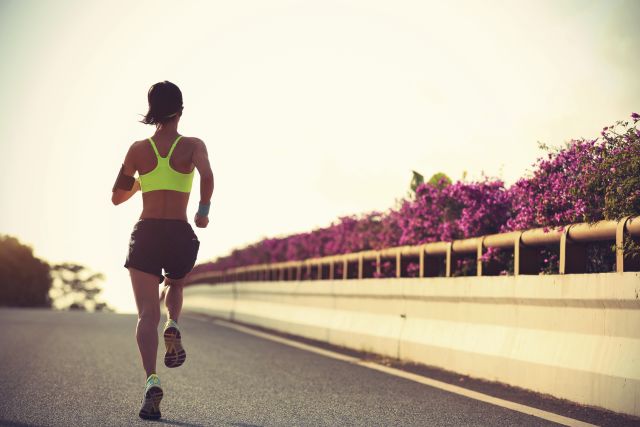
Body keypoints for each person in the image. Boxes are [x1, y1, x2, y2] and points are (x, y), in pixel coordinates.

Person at [111, 81, 214, 420]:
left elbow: (117, 196)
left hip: (148, 231)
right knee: (176, 282)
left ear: (152, 110)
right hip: (179, 230)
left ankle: (151, 380)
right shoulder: (193, 145)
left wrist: (143, 180)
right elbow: (208, 175)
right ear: (181, 110)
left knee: (145, 315)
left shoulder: (138, 150)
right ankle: (174, 322)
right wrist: (203, 210)